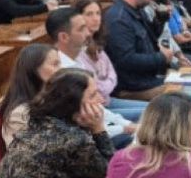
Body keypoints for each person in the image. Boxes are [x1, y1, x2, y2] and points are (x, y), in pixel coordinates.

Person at [47, 8, 138, 144]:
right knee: (150, 126)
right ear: (64, 37)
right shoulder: (62, 73)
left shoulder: (77, 59)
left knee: (150, 118)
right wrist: (125, 128)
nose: (88, 32)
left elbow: (98, 109)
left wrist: (126, 124)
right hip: (89, 142)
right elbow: (86, 127)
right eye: (81, 29)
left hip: (102, 123)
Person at [105, 0, 176, 101]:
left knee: (186, 84)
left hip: (146, 79)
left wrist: (160, 20)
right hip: (132, 87)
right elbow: (125, 60)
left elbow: (151, 38)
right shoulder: (118, 19)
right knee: (181, 94)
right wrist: (161, 58)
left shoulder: (137, 9)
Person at [75, 0, 150, 116]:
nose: (96, 19)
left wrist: (104, 88)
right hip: (97, 108)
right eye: (89, 14)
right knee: (151, 113)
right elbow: (92, 84)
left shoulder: (96, 41)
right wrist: (102, 89)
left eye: (98, 13)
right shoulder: (77, 48)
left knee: (152, 108)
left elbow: (112, 74)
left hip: (107, 99)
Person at [0, 43, 61, 146]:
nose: (61, 69)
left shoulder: (53, 98)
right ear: (34, 70)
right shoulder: (18, 116)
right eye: (55, 64)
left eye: (60, 64)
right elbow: (29, 158)